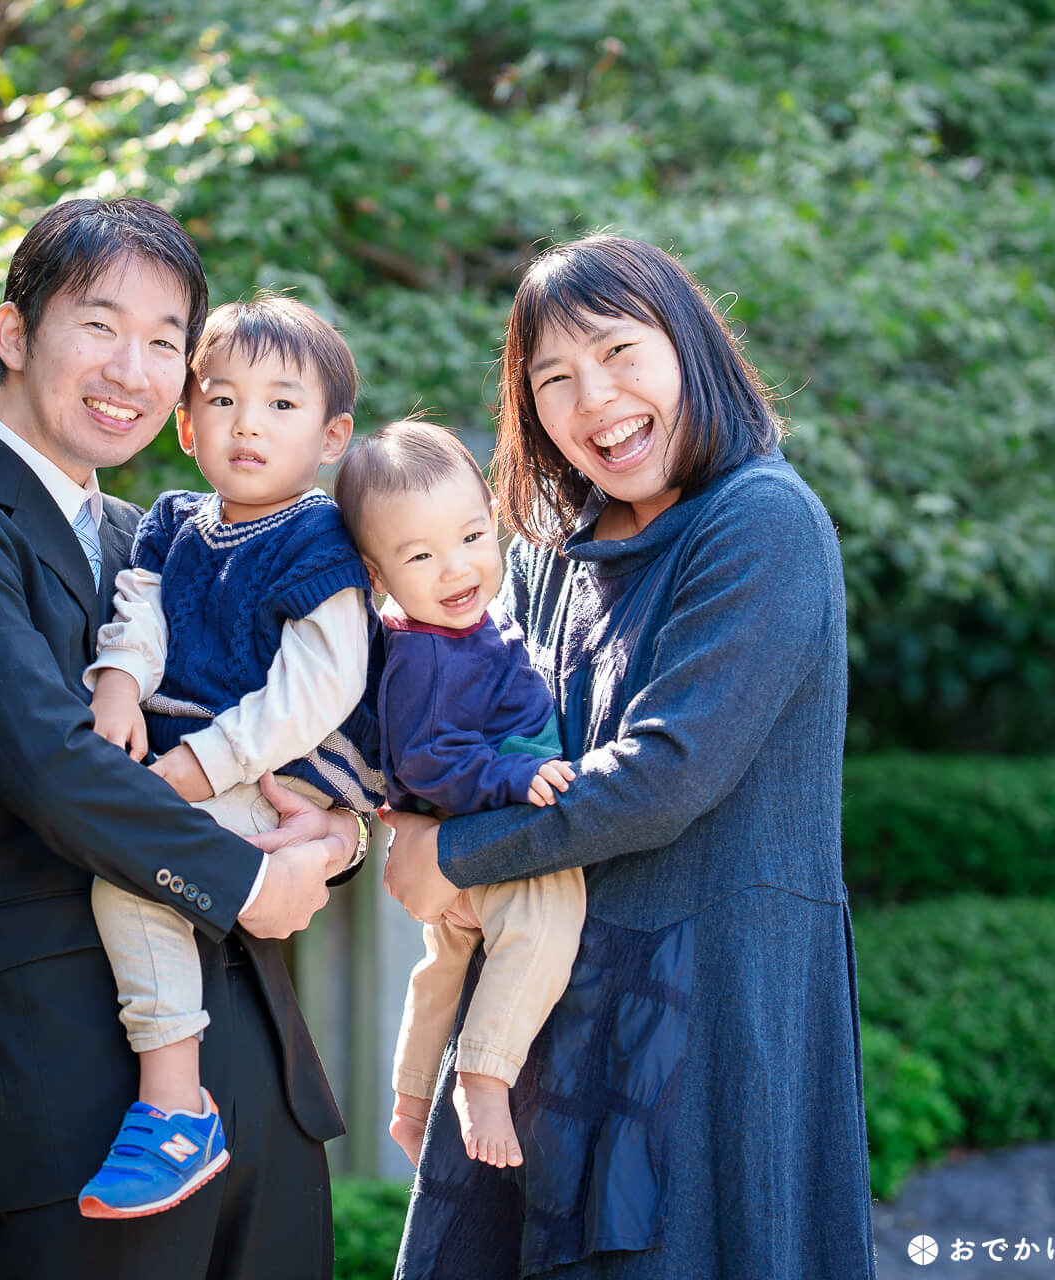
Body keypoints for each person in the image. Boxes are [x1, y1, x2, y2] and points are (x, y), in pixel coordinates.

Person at [0, 197, 366, 1280]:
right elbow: (52, 764)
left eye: (163, 341)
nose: (130, 369)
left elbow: (308, 706)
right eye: (98, 325)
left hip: (262, 1067)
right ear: (13, 333)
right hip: (76, 1087)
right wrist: (242, 878)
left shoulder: (160, 538)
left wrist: (333, 837)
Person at [380, 236, 877, 1279]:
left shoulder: (761, 522)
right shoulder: (548, 552)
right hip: (552, 1006)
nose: (592, 398)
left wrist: (456, 851)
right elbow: (457, 717)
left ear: (687, 346)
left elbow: (663, 775)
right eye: (551, 379)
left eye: (616, 352)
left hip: (702, 1017)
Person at [78, 294, 382, 1218]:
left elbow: (319, 688)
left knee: (129, 876)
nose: (247, 424)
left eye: (282, 404)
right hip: (172, 751)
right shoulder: (173, 520)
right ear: (185, 423)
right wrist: (120, 682)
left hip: (256, 769)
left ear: (332, 436)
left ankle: (176, 1106)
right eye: (222, 400)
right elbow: (138, 606)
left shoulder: (319, 537)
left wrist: (204, 766)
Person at [332, 420, 582, 1172]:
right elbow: (427, 759)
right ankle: (482, 1073)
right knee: (548, 914)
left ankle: (410, 1103)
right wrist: (511, 778)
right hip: (481, 824)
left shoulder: (463, 623)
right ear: (377, 577)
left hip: (457, 839)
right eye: (420, 555)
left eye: (472, 538)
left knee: (444, 963)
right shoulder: (424, 656)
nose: (457, 569)